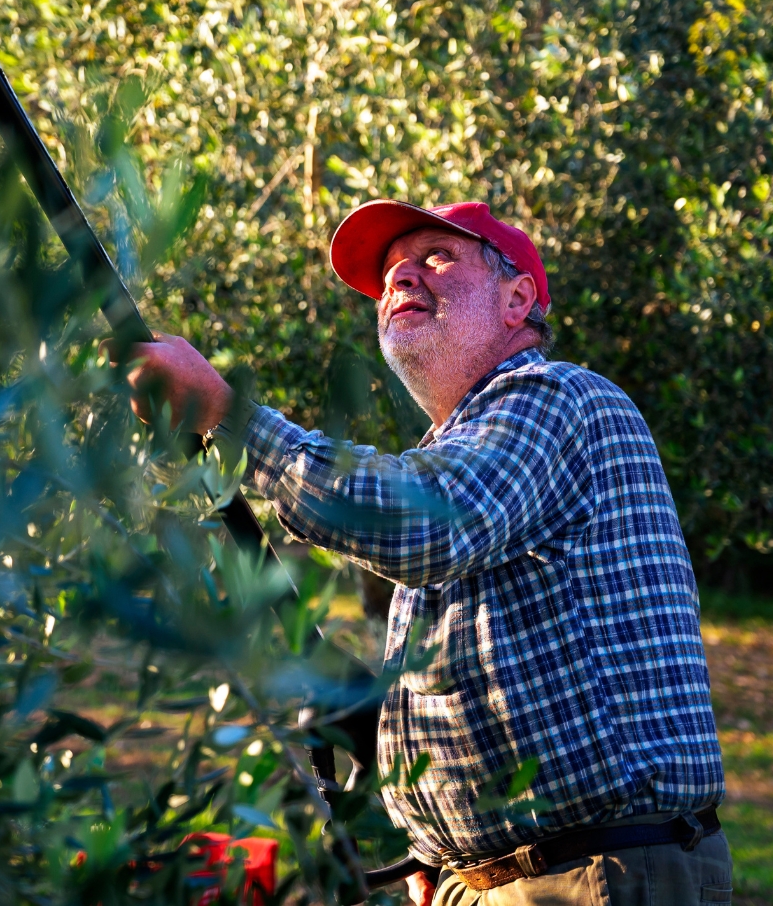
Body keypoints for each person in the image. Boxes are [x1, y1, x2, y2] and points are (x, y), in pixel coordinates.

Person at [125, 199, 731, 905]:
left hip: (590, 875)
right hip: (505, 876)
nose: (401, 280)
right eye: (388, 276)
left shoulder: (559, 397)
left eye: (435, 258)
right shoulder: (451, 457)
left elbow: (429, 526)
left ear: (518, 299)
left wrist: (230, 418)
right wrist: (437, 846)